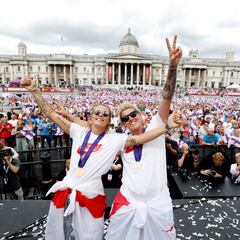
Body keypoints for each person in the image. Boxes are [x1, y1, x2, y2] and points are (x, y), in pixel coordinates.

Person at [21, 77, 181, 240]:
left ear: (108, 122)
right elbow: (50, 113)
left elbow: (141, 139)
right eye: (96, 112)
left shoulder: (115, 139)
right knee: (60, 232)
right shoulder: (78, 131)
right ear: (90, 117)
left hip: (93, 196)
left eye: (105, 114)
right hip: (68, 190)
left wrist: (166, 127)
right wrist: (34, 90)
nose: (100, 115)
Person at [106, 35, 182, 240]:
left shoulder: (156, 127)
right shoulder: (122, 141)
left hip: (157, 203)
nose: (131, 118)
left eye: (134, 114)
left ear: (141, 115)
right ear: (122, 123)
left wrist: (172, 67)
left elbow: (167, 95)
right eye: (125, 118)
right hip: (128, 203)